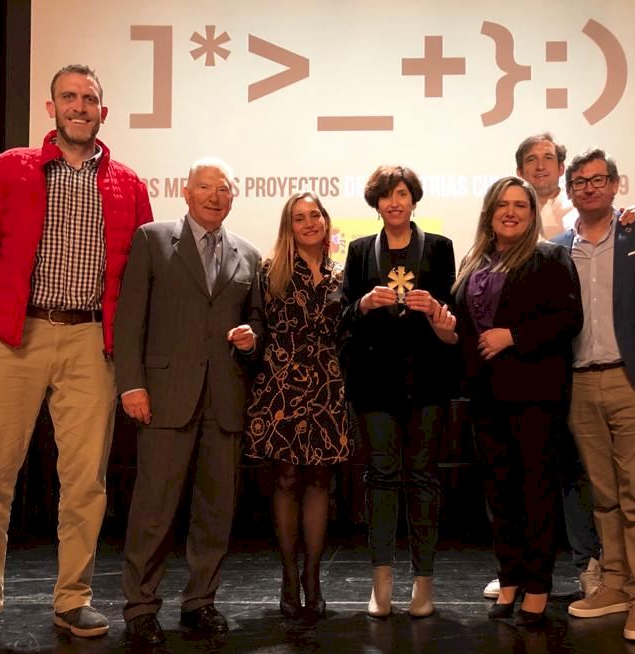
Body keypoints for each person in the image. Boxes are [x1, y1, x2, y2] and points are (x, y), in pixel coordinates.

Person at [0, 64, 153, 652]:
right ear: (51, 107)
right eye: (69, 97)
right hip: (14, 336)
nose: (79, 106)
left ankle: (72, 600)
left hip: (90, 340)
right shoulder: (10, 167)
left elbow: (140, 276)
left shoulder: (128, 184)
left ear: (103, 112)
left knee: (85, 480)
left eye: (89, 98)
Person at [114, 157, 263, 646]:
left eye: (224, 188)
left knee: (215, 510)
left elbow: (258, 321)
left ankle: (201, 601)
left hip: (225, 399)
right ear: (186, 192)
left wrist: (252, 338)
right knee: (154, 509)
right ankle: (140, 606)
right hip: (164, 397)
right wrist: (131, 384)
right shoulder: (152, 239)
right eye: (205, 187)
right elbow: (130, 319)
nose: (215, 196)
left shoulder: (249, 254)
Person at [452, 176, 583, 626]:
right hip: (485, 397)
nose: (510, 212)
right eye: (501, 205)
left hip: (535, 395)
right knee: (499, 494)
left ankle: (538, 587)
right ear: (489, 213)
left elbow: (569, 318)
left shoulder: (550, 257)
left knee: (535, 492)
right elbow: (467, 329)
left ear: (531, 214)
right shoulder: (473, 262)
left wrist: (514, 336)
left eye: (520, 206)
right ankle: (509, 578)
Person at [551, 149, 635, 642]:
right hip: (579, 381)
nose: (589, 188)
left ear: (616, 185)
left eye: (599, 179)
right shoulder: (558, 248)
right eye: (580, 181)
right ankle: (614, 584)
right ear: (569, 191)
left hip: (630, 379)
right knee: (603, 496)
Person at [339, 165, 459, 620]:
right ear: (376, 202)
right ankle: (381, 583)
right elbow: (344, 315)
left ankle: (423, 583)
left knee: (423, 478)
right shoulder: (358, 250)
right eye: (387, 195)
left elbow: (453, 313)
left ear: (414, 200)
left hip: (427, 381)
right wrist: (365, 303)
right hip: (373, 383)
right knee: (381, 478)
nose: (395, 202)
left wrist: (436, 309)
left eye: (403, 194)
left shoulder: (440, 247)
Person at [245, 191, 349, 619]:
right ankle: (288, 578)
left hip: (327, 385)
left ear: (325, 221)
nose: (309, 223)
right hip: (280, 385)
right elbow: (257, 327)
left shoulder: (343, 274)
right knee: (286, 479)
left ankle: (312, 578)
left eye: (315, 215)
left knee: (320, 481)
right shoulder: (268, 271)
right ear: (289, 227)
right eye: (299, 217)